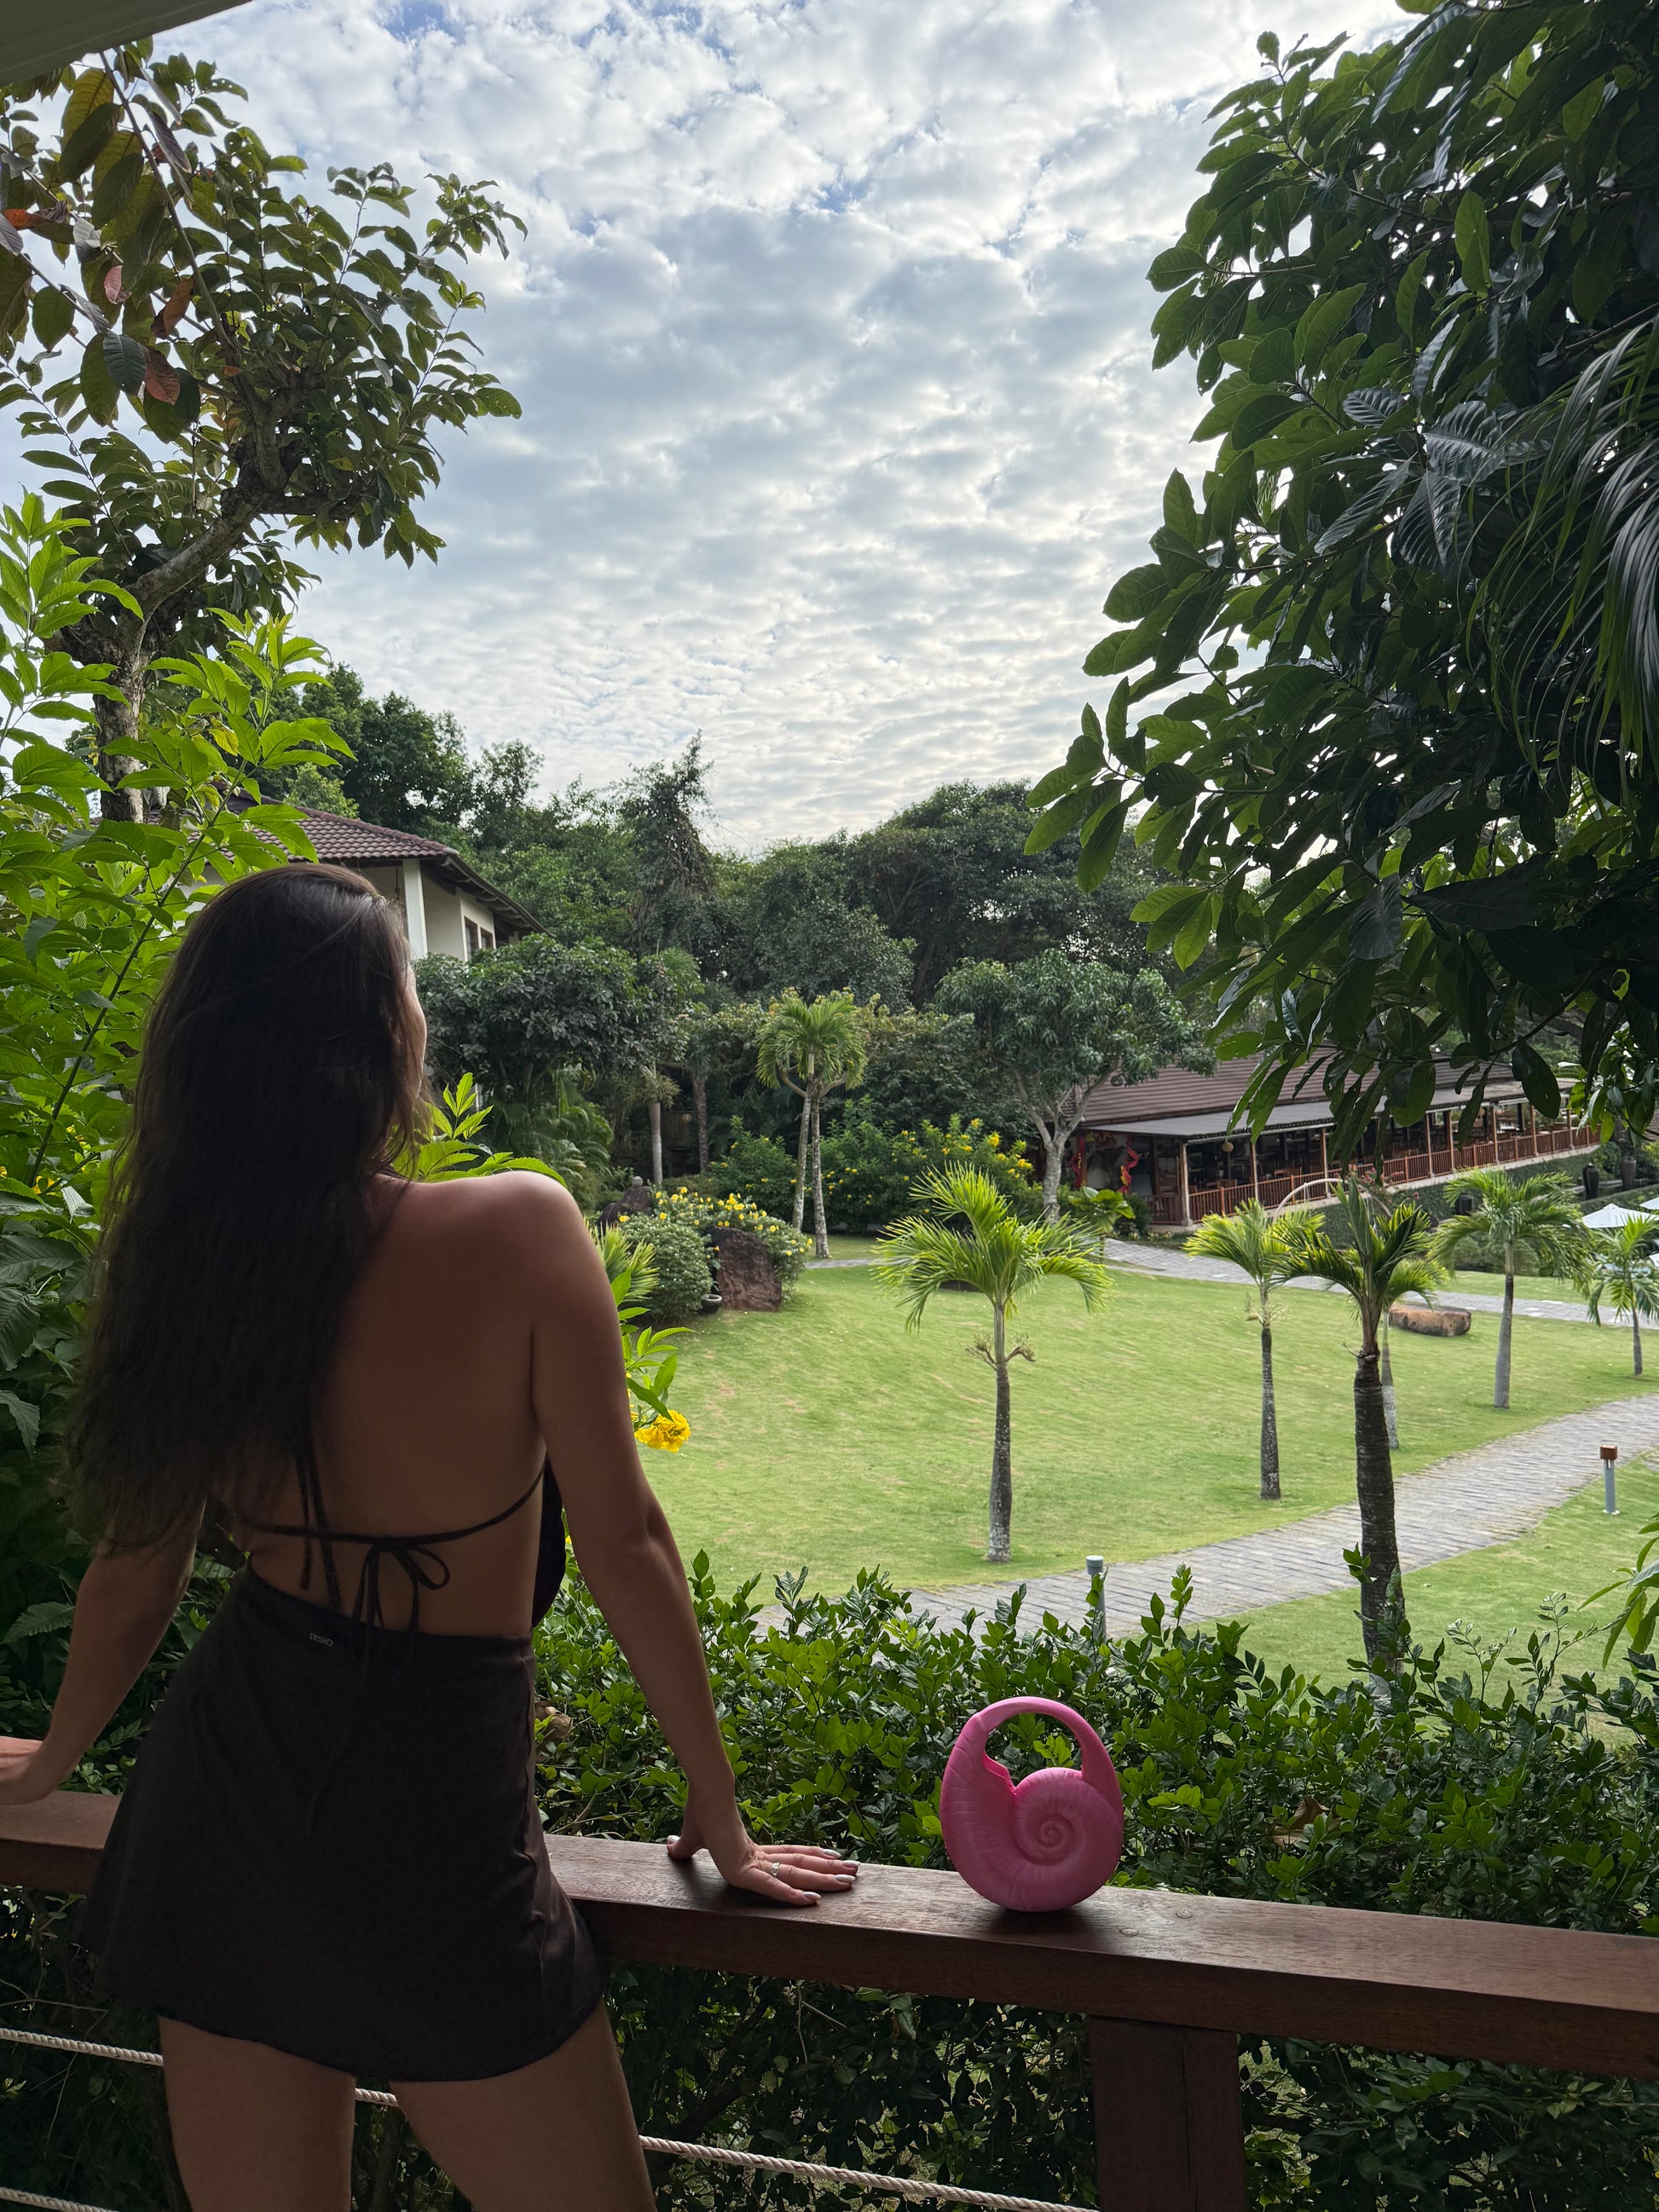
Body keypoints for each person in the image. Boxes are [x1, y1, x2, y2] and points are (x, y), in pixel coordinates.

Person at [0, 865, 856, 2212]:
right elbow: (626, 1541)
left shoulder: (195, 1268)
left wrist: (56, 1755)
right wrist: (717, 1809)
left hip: (226, 1804)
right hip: (437, 1809)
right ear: (376, 1038)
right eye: (409, 991)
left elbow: (139, 1562)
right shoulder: (517, 1225)